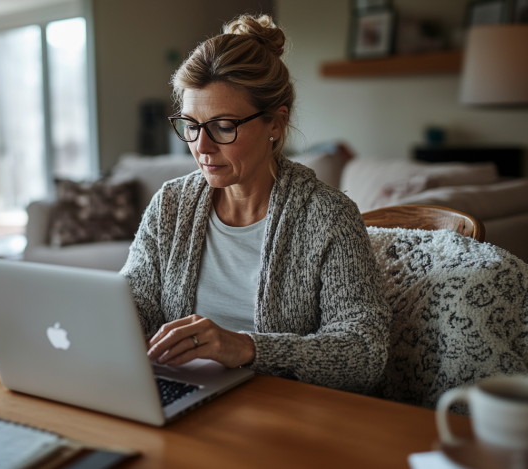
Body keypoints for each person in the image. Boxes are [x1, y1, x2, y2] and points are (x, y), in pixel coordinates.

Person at [120, 14, 391, 394]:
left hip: (283, 411)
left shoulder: (328, 217)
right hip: (186, 397)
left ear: (275, 124)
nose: (201, 147)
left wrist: (246, 347)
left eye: (223, 126)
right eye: (191, 125)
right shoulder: (170, 204)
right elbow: (134, 301)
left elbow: (364, 352)